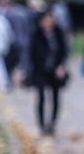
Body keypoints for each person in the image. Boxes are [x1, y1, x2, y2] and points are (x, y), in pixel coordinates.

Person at [29, 8, 69, 136]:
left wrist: (61, 66)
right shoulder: (36, 34)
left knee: (56, 97)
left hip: (55, 70)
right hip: (40, 70)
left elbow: (64, 51)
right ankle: (41, 125)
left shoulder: (58, 33)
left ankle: (52, 123)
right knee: (41, 97)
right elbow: (31, 54)